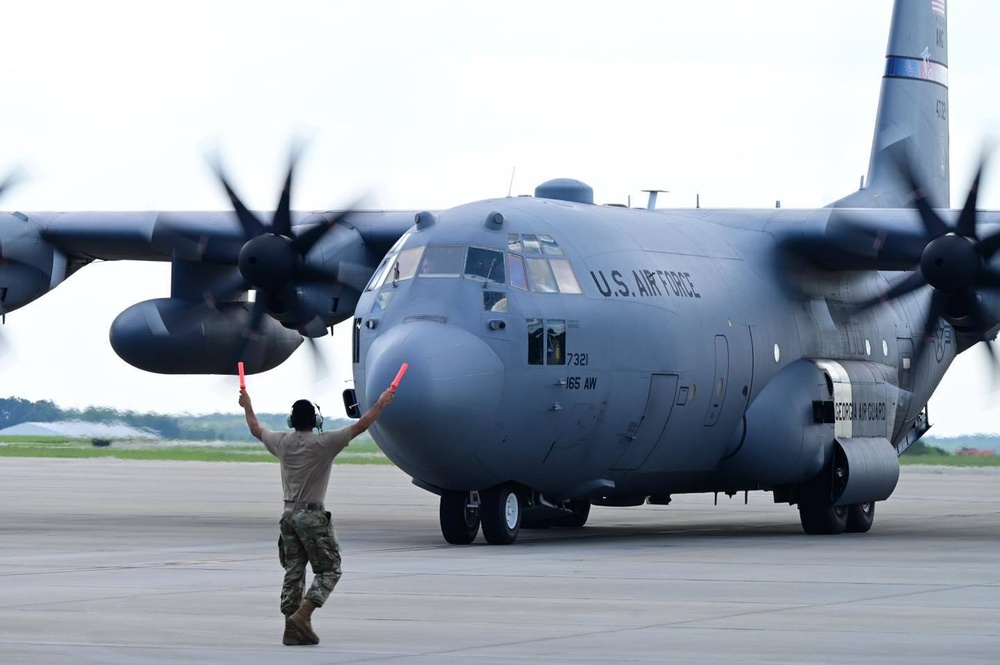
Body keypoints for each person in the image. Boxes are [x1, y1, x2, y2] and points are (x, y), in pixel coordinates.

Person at [239, 385, 395, 646]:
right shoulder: (325, 443)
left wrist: (247, 405)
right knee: (330, 569)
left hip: (288, 515)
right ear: (316, 421)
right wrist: (380, 403)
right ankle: (304, 614)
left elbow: (255, 428)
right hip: (311, 515)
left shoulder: (281, 442)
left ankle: (291, 630)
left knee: (294, 571)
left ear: (291, 422)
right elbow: (361, 426)